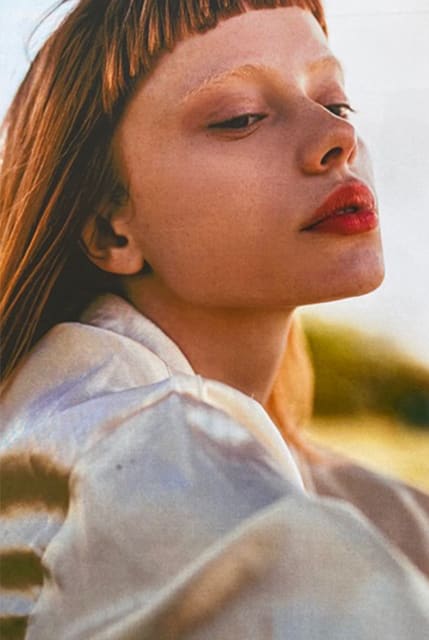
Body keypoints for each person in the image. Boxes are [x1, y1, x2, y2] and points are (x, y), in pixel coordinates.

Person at [1, 0, 428, 638]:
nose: (335, 139)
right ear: (107, 227)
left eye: (336, 103)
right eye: (241, 118)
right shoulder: (130, 450)